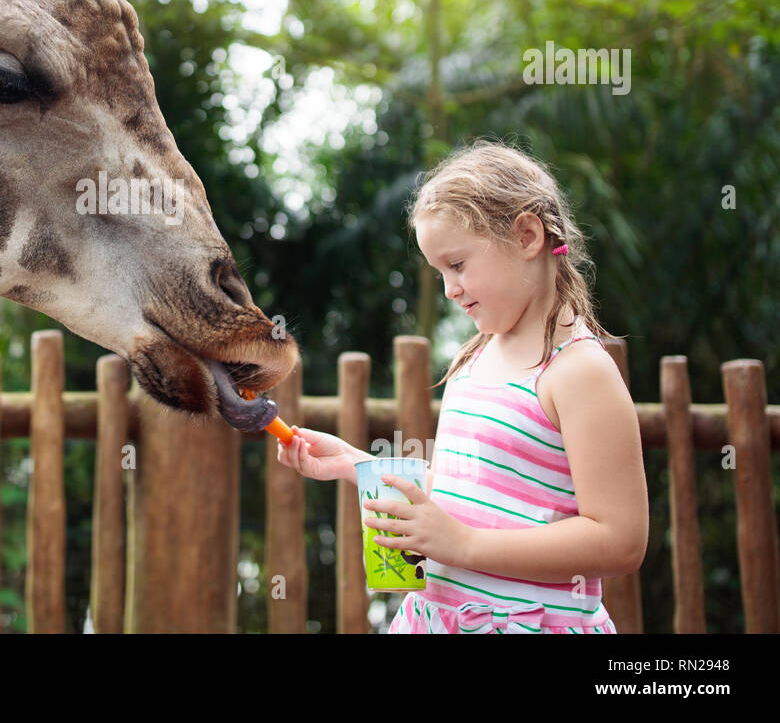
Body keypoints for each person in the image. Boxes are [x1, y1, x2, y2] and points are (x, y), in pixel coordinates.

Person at [277, 138, 648, 633]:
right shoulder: (475, 356)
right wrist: (356, 464)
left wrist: (462, 545)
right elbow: (470, 491)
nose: (449, 289)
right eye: (439, 272)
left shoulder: (579, 372)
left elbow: (621, 540)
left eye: (457, 264)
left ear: (527, 236)